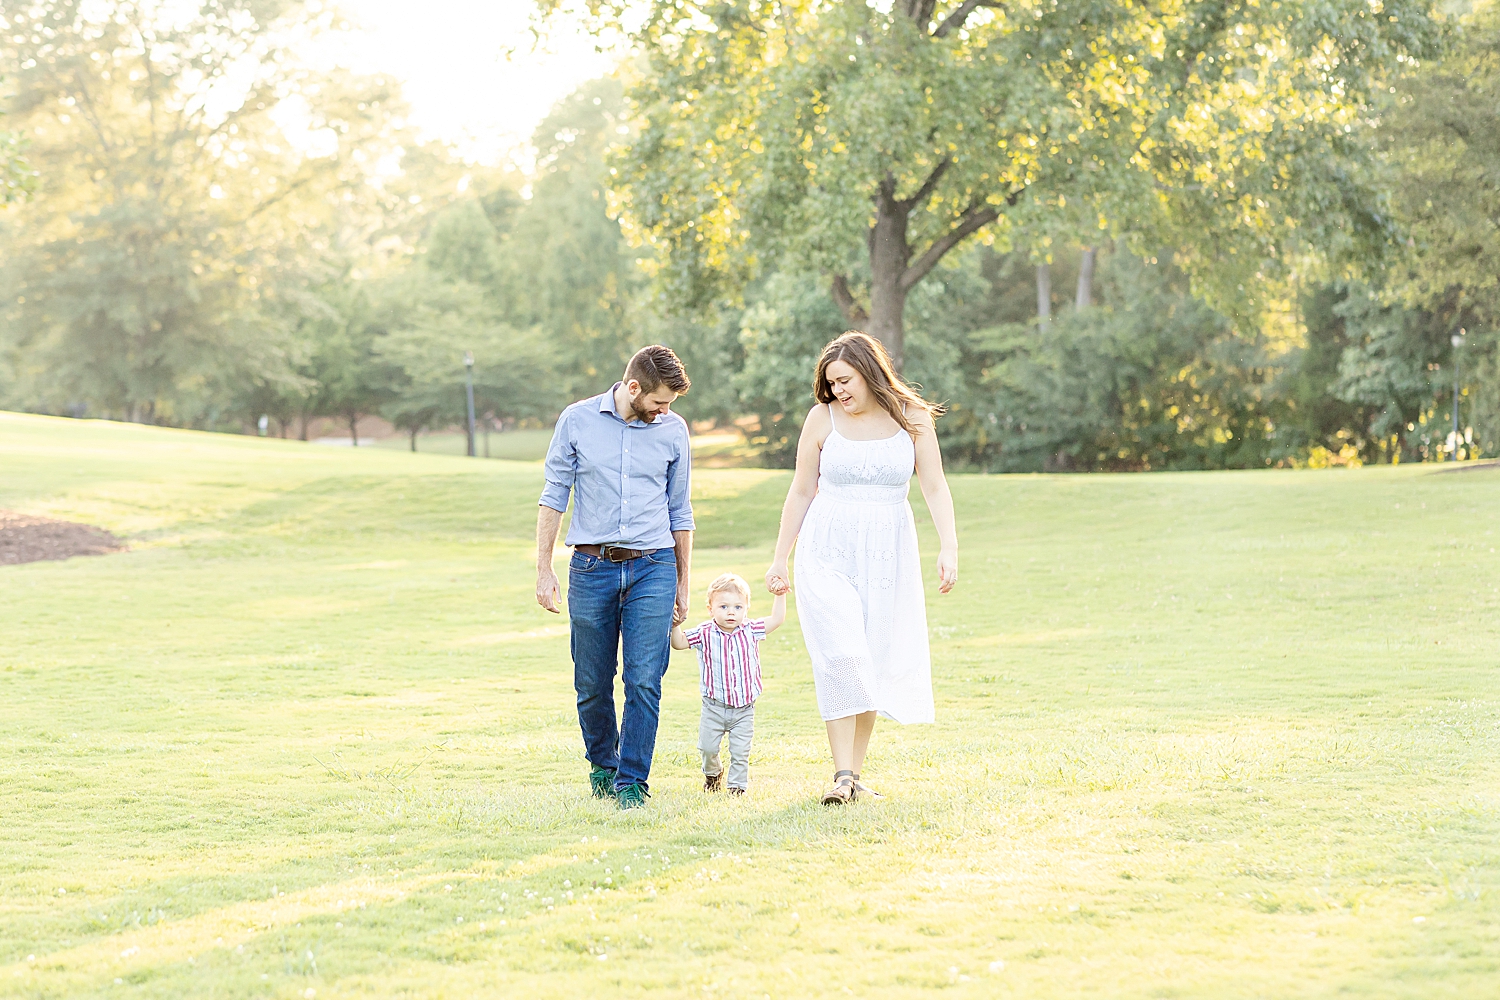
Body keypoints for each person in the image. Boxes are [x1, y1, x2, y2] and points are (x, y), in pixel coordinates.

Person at [765, 331, 958, 805]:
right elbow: (801, 491)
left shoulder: (912, 418)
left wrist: (949, 546)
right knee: (842, 655)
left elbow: (933, 486)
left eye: (845, 381)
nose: (838, 393)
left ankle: (850, 776)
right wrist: (779, 557)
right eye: (831, 385)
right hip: (826, 548)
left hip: (888, 551)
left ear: (870, 372)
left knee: (870, 659)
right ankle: (841, 773)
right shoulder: (821, 419)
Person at [535, 345, 695, 810]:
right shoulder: (577, 420)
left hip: (654, 566)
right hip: (591, 568)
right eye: (660, 402)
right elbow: (554, 495)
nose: (665, 412)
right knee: (591, 681)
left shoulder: (673, 431)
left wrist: (684, 583)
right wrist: (544, 569)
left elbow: (680, 510)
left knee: (645, 678)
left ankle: (632, 783)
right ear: (632, 388)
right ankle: (603, 766)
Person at [671, 572, 787, 796]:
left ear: (746, 608)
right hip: (713, 707)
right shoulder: (704, 632)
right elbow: (679, 643)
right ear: (710, 608)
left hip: (744, 708)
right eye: (723, 607)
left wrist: (780, 594)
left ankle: (737, 787)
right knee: (707, 748)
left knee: (740, 751)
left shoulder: (751, 630)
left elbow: (777, 619)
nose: (731, 612)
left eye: (737, 607)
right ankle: (713, 774)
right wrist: (675, 623)